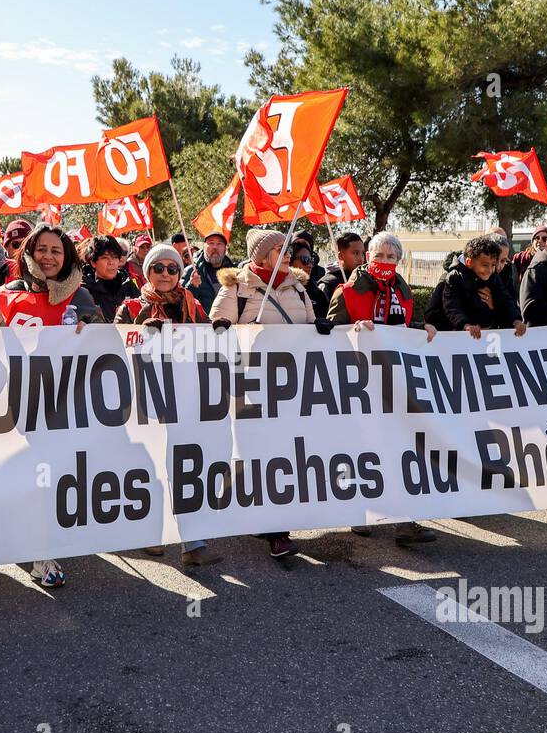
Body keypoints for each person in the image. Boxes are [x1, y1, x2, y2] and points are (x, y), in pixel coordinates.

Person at [0, 224, 103, 587]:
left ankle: (41, 548)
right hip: (13, 400)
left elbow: (105, 341)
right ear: (28, 253)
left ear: (66, 255)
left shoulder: (79, 296)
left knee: (49, 476)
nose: (48, 257)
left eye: (56, 250)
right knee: (20, 474)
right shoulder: (3, 295)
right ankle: (33, 550)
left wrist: (91, 328)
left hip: (61, 402)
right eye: (42, 249)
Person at [209, 228, 321, 559]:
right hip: (251, 384)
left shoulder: (298, 284)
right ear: (261, 254)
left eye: (288, 248)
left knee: (287, 451)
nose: (287, 253)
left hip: (293, 384)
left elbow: (312, 324)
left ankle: (274, 521)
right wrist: (222, 327)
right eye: (279, 249)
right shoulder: (238, 285)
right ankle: (275, 530)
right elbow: (216, 321)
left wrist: (322, 329)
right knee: (259, 453)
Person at [328, 231, 440, 546]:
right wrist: (350, 329)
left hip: (393, 382)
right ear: (368, 257)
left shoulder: (403, 291)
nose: (385, 262)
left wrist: (421, 328)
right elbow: (326, 335)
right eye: (379, 256)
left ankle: (405, 521)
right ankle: (358, 511)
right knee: (361, 450)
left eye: (392, 257)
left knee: (400, 449)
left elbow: (400, 330)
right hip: (356, 384)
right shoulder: (347, 290)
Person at [112, 243, 220, 566]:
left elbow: (208, 340)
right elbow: (114, 344)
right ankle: (153, 534)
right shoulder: (132, 307)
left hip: (185, 398)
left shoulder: (192, 304)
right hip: (146, 401)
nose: (165, 274)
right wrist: (140, 330)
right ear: (147, 272)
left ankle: (192, 541)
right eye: (158, 268)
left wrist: (222, 330)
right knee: (152, 468)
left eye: (172, 269)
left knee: (186, 467)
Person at [425, 236, 527, 338]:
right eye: (485, 265)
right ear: (469, 262)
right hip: (457, 337)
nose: (490, 270)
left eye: (493, 265)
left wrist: (516, 320)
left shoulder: (494, 277)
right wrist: (466, 325)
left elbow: (506, 301)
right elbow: (452, 306)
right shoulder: (453, 277)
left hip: (485, 336)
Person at [82, 235, 139, 322]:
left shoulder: (129, 285)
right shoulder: (84, 290)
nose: (111, 262)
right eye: (105, 258)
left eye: (115, 257)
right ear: (93, 262)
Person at [182, 230, 235, 314]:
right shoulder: (191, 271)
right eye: (211, 243)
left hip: (230, 325)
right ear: (204, 247)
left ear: (225, 248)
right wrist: (191, 286)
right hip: (202, 325)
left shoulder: (235, 272)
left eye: (219, 244)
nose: (215, 247)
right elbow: (180, 302)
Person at [317, 231, 366, 318]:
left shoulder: (366, 280)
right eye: (355, 253)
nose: (360, 258)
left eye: (362, 253)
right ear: (340, 256)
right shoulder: (327, 284)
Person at [290, 238, 328, 319]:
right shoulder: (279, 290)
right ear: (290, 260)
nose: (310, 265)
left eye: (311, 260)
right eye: (305, 259)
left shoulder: (319, 294)